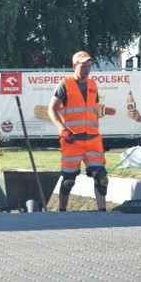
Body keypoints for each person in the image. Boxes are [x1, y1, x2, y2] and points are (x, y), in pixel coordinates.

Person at [47, 51, 108, 211]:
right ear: (75, 66)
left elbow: (91, 110)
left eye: (89, 66)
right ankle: (62, 211)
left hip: (93, 140)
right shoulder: (64, 85)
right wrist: (63, 129)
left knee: (101, 177)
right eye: (83, 66)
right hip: (72, 140)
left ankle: (103, 212)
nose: (87, 70)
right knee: (68, 180)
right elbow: (51, 110)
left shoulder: (93, 86)